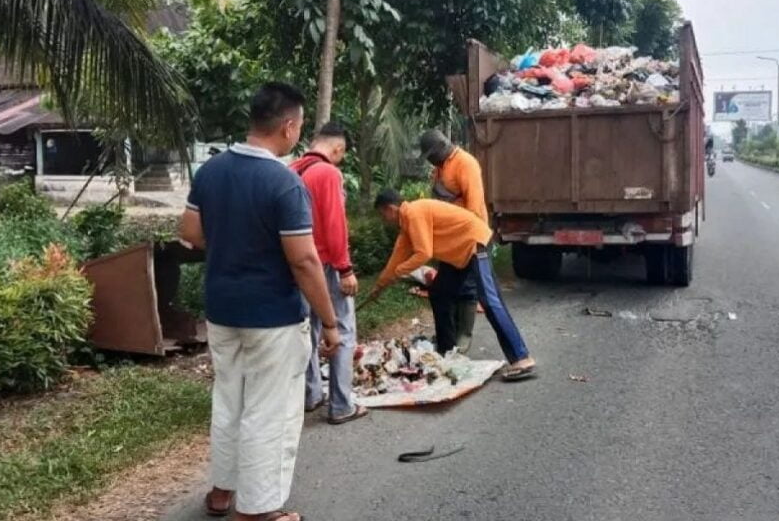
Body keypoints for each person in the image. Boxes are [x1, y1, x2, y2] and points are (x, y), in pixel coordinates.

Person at [180, 82, 340, 521]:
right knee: (269, 412)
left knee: (229, 399)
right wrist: (329, 322)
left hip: (221, 309)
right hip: (271, 317)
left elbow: (190, 234)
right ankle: (259, 510)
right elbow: (305, 261)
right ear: (289, 126)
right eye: (301, 125)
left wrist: (233, 242)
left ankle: (221, 491)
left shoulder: (210, 171)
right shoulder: (282, 183)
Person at [368, 190, 537, 381]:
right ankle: (446, 352)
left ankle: (521, 358)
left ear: (390, 208)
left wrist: (399, 272)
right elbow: (395, 261)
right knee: (440, 293)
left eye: (383, 215)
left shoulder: (414, 212)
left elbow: (423, 253)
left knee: (489, 301)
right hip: (459, 255)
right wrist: (379, 287)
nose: (385, 220)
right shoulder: (407, 226)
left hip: (474, 244)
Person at [290, 122, 368, 425]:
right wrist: (345, 269)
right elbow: (336, 226)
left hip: (298, 266)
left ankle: (310, 395)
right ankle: (341, 404)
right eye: (343, 154)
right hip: (324, 265)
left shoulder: (293, 170)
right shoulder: (328, 173)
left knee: (307, 331)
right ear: (337, 148)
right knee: (342, 331)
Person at [419, 129, 486, 354]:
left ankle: (462, 339)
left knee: (466, 288)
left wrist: (470, 241)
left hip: (467, 237)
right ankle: (448, 342)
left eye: (430, 155)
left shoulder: (465, 164)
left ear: (440, 148)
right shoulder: (441, 168)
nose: (429, 160)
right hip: (450, 240)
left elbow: (474, 207)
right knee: (442, 291)